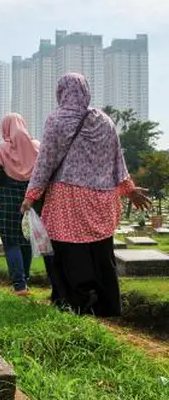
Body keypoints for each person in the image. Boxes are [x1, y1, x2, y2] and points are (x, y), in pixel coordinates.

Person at [21, 73, 150, 317]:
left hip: (66, 198)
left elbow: (45, 162)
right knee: (100, 251)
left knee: (67, 252)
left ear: (61, 92)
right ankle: (105, 304)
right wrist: (129, 189)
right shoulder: (105, 121)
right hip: (102, 199)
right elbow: (117, 161)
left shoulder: (56, 120)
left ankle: (75, 302)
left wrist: (31, 195)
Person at [0, 113, 40, 296]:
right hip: (31, 200)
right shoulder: (37, 148)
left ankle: (19, 286)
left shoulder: (0, 151)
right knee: (25, 241)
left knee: (11, 242)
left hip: (8, 201)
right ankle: (24, 280)